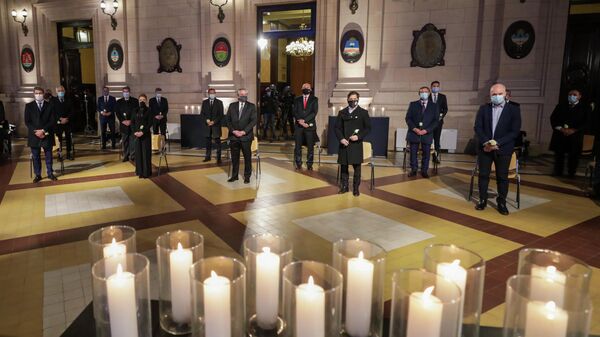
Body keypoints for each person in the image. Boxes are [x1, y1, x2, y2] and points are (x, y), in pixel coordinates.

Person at [474, 83, 522, 215]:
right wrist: (486, 143)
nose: (496, 96)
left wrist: (497, 143)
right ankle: (482, 200)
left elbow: (514, 131)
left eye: (499, 94)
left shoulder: (514, 109)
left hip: (503, 149)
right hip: (485, 149)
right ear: (490, 95)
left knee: (502, 177)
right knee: (483, 175)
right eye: (494, 94)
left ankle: (502, 202)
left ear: (505, 94)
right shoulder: (484, 108)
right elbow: (478, 127)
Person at [335, 91, 372, 196]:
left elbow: (368, 128)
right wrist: (341, 138)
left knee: (357, 168)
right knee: (344, 167)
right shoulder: (342, 113)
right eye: (350, 99)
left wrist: (358, 136)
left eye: (355, 99)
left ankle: (356, 188)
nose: (352, 101)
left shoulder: (363, 113)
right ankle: (344, 186)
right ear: (347, 100)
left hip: (356, 144)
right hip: (344, 143)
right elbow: (336, 128)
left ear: (358, 99)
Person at [549, 89, 590, 177]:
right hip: (560, 134)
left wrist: (574, 130)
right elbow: (553, 118)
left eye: (574, 94)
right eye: (570, 94)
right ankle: (558, 171)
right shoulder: (560, 106)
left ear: (579, 96)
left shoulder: (585, 108)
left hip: (575, 136)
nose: (572, 96)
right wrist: (561, 129)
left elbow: (586, 122)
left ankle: (571, 172)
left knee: (574, 155)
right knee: (559, 155)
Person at [25, 87, 58, 182]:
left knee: (49, 156)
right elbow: (27, 122)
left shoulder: (50, 105)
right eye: (36, 93)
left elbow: (52, 120)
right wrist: (37, 132)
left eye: (40, 93)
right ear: (34, 94)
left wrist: (43, 130)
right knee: (36, 156)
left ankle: (50, 173)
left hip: (46, 134)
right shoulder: (29, 106)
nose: (38, 95)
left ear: (43, 94)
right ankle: (38, 175)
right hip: (34, 135)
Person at [405, 86, 439, 178]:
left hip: (427, 134)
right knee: (413, 152)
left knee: (426, 153)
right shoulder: (413, 104)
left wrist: (426, 130)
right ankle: (414, 169)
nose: (423, 93)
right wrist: (414, 129)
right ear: (419, 93)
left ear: (429, 93)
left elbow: (436, 121)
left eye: (425, 91)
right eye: (421, 92)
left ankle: (424, 170)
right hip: (414, 133)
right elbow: (408, 118)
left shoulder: (434, 106)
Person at [225, 88, 257, 184]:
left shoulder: (251, 106)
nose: (244, 96)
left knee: (247, 157)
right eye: (242, 95)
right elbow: (227, 120)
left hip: (246, 137)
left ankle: (247, 176)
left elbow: (253, 121)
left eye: (245, 94)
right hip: (234, 136)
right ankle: (234, 176)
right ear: (238, 96)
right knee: (235, 158)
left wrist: (244, 131)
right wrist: (233, 131)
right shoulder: (232, 106)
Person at [293, 83, 318, 170]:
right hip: (299, 126)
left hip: (309, 126)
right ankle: (298, 163)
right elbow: (294, 112)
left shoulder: (314, 99)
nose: (306, 88)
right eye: (304, 87)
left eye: (308, 87)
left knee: (310, 147)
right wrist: (300, 121)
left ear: (310, 89)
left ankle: (309, 164)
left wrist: (305, 121)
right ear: (301, 88)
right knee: (298, 146)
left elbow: (314, 112)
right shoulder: (297, 99)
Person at [200, 88, 224, 164]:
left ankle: (219, 158)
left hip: (216, 126)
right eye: (210, 93)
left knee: (218, 143)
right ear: (208, 94)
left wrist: (214, 121)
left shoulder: (219, 102)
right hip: (207, 126)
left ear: (215, 93)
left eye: (213, 93)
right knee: (208, 143)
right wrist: (206, 120)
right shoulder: (204, 102)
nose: (212, 94)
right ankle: (207, 157)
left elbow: (221, 115)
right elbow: (202, 114)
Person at [132, 94, 153, 178]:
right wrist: (135, 132)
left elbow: (150, 123)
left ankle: (146, 172)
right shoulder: (135, 110)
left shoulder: (149, 110)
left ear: (146, 101)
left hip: (145, 135)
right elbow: (132, 122)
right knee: (138, 154)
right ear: (138, 101)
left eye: (143, 100)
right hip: (137, 135)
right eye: (140, 100)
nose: (142, 101)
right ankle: (139, 172)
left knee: (145, 154)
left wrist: (143, 132)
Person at [115, 86, 139, 162]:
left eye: (127, 92)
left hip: (132, 124)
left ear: (129, 92)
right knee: (125, 141)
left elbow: (136, 112)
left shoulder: (135, 101)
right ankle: (126, 155)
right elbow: (117, 113)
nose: (126, 93)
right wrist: (123, 121)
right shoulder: (119, 102)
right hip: (123, 125)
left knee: (132, 140)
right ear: (123, 93)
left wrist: (131, 121)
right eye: (124, 92)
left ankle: (132, 155)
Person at [53, 85, 73, 160]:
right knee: (59, 139)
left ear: (64, 91)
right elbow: (53, 112)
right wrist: (60, 119)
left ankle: (68, 153)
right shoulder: (53, 101)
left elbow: (72, 111)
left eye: (62, 91)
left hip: (68, 122)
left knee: (68, 138)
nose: (61, 92)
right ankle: (59, 154)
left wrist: (67, 118)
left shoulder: (69, 100)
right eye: (59, 91)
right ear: (56, 92)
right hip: (58, 123)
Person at [430, 81, 448, 164]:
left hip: (438, 122)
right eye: (434, 86)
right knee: (429, 139)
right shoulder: (428, 96)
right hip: (428, 122)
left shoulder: (442, 97)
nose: (435, 87)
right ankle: (427, 155)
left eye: (437, 86)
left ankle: (435, 157)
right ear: (431, 87)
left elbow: (445, 109)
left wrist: (441, 116)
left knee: (437, 139)